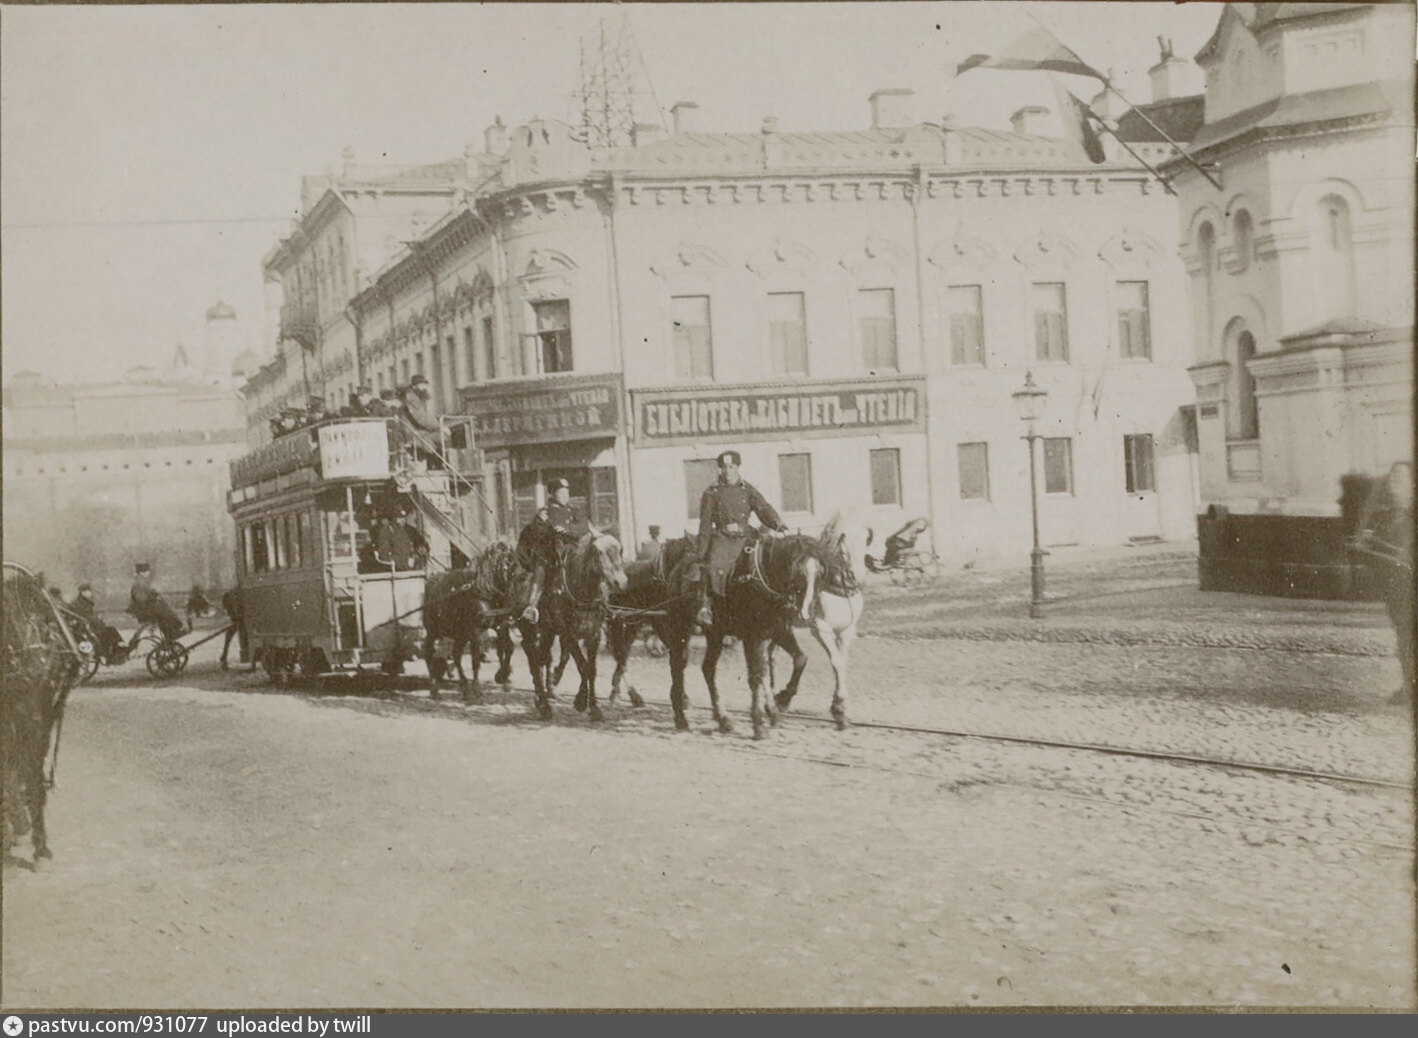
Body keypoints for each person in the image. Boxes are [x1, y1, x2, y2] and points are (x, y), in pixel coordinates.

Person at [695, 450, 786, 627]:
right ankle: (706, 608)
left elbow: (763, 508)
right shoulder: (712, 492)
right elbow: (705, 524)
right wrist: (702, 550)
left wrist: (777, 523)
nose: (727, 471)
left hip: (746, 538)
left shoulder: (747, 489)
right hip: (723, 539)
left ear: (737, 467)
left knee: (762, 563)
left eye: (731, 466)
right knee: (714, 565)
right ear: (720, 469)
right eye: (724, 467)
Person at [1355, 461, 1414, 704]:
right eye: (1391, 483)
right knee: (1404, 639)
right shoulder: (1385, 518)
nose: (1394, 488)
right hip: (1397, 592)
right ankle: (1409, 686)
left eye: (1401, 482)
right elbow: (1369, 545)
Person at [127, 562, 187, 641]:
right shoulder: (139, 582)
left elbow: (146, 594)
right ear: (141, 572)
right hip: (143, 609)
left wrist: (154, 595)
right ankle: (173, 631)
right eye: (146, 571)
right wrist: (153, 597)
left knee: (164, 609)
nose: (148, 573)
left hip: (143, 608)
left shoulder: (141, 581)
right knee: (164, 611)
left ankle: (172, 631)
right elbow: (141, 598)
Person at [68, 583, 125, 662]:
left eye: (89, 591)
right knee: (110, 631)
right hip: (89, 627)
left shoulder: (82, 602)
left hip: (90, 626)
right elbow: (89, 617)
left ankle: (116, 650)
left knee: (111, 630)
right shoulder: (81, 604)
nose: (90, 593)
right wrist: (99, 623)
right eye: (88, 591)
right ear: (82, 592)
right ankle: (112, 653)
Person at [399, 374, 442, 469]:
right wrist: (440, 426)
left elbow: (426, 417)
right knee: (442, 436)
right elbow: (421, 418)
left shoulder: (418, 398)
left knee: (441, 436)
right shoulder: (411, 398)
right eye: (421, 385)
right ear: (414, 386)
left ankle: (435, 464)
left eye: (425, 385)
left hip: (417, 430)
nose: (424, 387)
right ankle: (435, 465)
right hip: (412, 432)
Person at [219, 587, 249, 671]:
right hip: (239, 618)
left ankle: (224, 657)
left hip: (237, 617)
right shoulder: (234, 595)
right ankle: (224, 658)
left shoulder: (233, 593)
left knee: (229, 637)